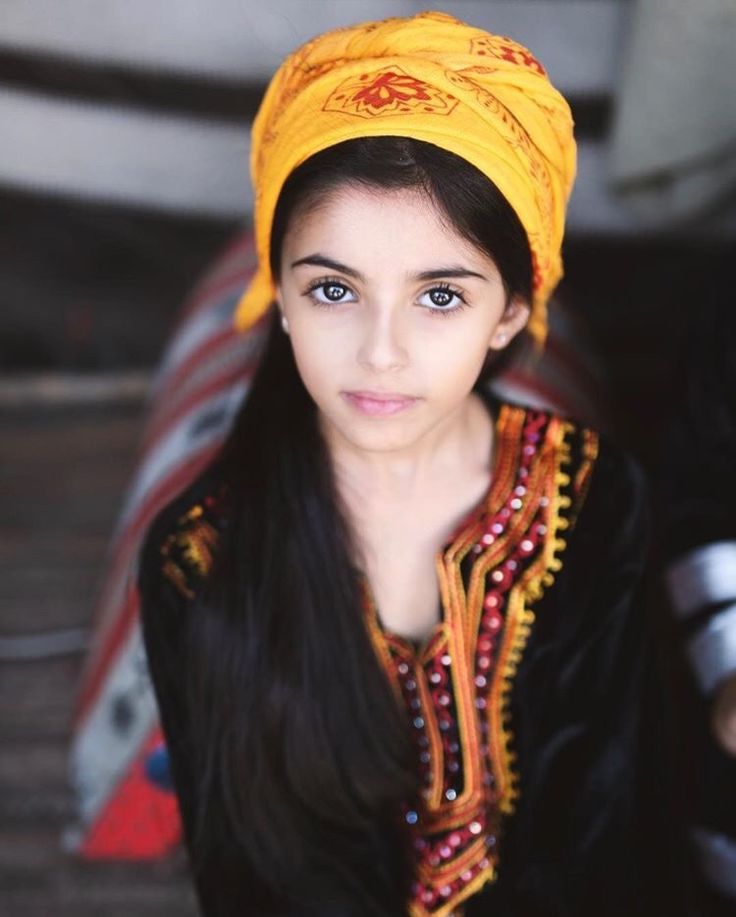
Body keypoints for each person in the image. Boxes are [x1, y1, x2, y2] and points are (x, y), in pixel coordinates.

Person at [135, 11, 673, 916]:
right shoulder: (202, 558)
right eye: (335, 289)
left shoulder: (590, 500)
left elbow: (613, 832)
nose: (381, 353)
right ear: (283, 299)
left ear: (508, 313)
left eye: (439, 295)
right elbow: (251, 880)